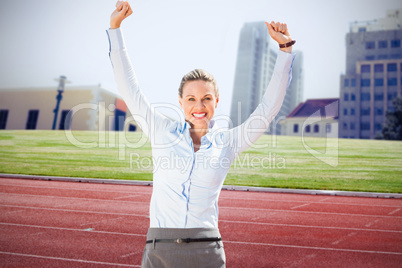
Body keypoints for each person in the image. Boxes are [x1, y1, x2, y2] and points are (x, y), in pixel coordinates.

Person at [108, 1, 295, 267]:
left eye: (206, 98)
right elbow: (129, 88)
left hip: (207, 251)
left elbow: (267, 110)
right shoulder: (161, 131)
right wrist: (115, 29)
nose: (199, 106)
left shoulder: (228, 142)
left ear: (216, 101)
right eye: (191, 99)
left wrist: (285, 50)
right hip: (160, 250)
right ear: (180, 102)